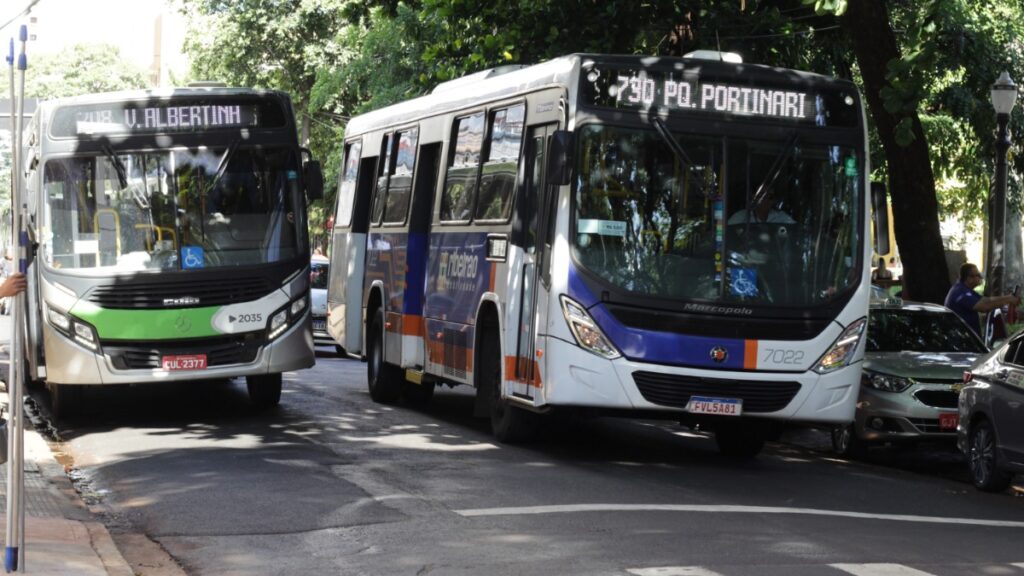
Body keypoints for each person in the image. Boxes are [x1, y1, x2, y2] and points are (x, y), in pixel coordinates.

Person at [944, 263, 1020, 337]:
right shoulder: (960, 292)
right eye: (978, 275)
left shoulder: (965, 290)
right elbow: (984, 306)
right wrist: (1008, 299)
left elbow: (987, 300)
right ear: (969, 278)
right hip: (961, 342)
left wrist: (1008, 298)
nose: (981, 277)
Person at [727, 198, 795, 224]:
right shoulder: (740, 217)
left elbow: (796, 231)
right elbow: (726, 235)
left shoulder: (781, 217)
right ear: (754, 198)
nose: (766, 200)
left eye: (769, 196)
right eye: (762, 195)